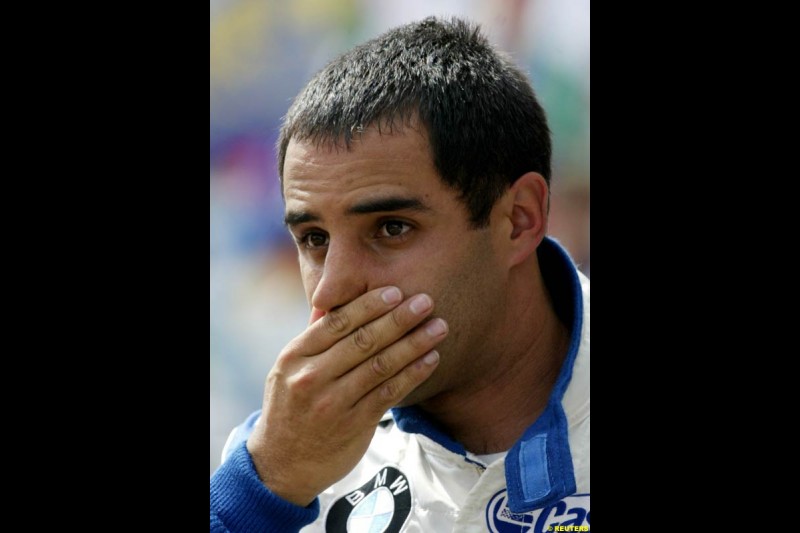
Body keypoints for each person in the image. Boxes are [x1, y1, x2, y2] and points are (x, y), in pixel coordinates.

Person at [210, 15, 589, 532]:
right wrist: (263, 487)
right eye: (313, 239)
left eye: (391, 228)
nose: (331, 288)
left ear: (519, 220)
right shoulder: (280, 466)